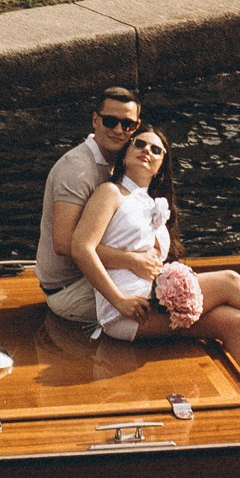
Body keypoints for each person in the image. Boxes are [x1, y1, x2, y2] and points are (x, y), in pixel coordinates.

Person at [67, 124, 240, 389]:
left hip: (149, 299)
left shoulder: (152, 204)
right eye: (139, 144)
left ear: (162, 165)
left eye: (156, 150)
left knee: (234, 321)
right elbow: (81, 247)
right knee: (230, 281)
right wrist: (119, 300)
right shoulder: (111, 193)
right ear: (126, 153)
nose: (146, 151)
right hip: (127, 308)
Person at [35, 87, 152, 322]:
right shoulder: (76, 170)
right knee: (172, 301)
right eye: (110, 121)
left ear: (136, 127)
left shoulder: (122, 164)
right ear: (95, 120)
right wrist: (131, 261)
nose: (118, 130)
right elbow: (65, 243)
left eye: (127, 124)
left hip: (96, 276)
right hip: (70, 290)